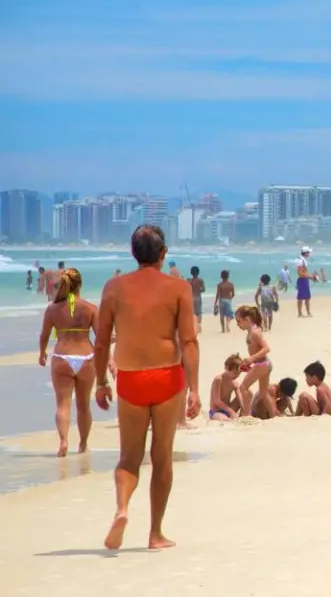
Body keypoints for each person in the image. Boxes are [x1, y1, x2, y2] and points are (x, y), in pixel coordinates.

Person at [93, 225, 200, 550]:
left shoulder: (114, 287)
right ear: (163, 253)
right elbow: (189, 341)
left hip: (130, 378)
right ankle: (155, 534)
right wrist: (194, 389)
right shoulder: (178, 287)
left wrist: (100, 381)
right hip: (167, 377)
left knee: (129, 457)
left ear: (133, 253)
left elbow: (100, 343)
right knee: (162, 457)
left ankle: (122, 508)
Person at [37, 268, 98, 457]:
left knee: (63, 404)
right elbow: (102, 337)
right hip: (86, 358)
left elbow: (44, 335)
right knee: (83, 405)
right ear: (79, 285)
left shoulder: (53, 309)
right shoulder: (90, 308)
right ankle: (83, 444)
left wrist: (42, 353)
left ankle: (63, 441)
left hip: (62, 358)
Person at [208, 354, 243, 420]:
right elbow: (217, 401)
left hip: (228, 409)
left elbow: (240, 399)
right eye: (235, 373)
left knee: (244, 394)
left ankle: (242, 414)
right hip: (216, 411)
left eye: (239, 373)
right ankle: (229, 416)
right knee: (225, 419)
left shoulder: (234, 383)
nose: (237, 375)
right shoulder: (218, 379)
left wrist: (243, 410)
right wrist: (231, 412)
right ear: (226, 368)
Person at [295, 246, 313, 318]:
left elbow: (304, 272)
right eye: (308, 252)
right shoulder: (300, 261)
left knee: (307, 297)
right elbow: (299, 273)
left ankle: (307, 312)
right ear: (305, 253)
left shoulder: (303, 260)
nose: (309, 254)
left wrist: (310, 277)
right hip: (302, 280)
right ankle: (300, 313)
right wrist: (310, 277)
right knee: (301, 298)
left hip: (304, 280)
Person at [188, 266, 205, 335]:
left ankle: (193, 326)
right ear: (198, 272)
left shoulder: (189, 281)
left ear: (191, 273)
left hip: (191, 298)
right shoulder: (201, 280)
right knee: (199, 312)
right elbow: (203, 289)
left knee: (193, 313)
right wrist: (198, 290)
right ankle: (198, 325)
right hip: (198, 297)